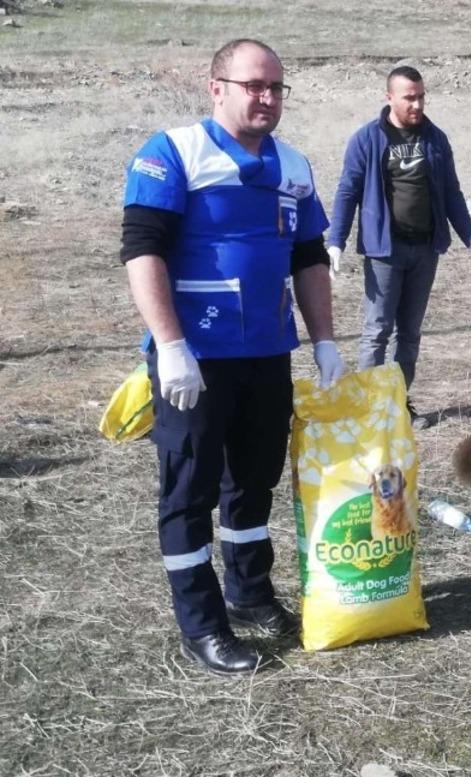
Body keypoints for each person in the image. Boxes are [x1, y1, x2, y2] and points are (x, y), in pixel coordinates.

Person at [120, 39, 347, 675]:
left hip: (266, 354)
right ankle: (202, 623)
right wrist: (169, 345)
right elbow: (143, 251)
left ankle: (249, 594)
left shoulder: (294, 165)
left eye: (277, 87)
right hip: (193, 362)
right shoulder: (170, 153)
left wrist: (324, 338)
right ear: (215, 86)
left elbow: (308, 256)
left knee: (252, 483)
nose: (267, 98)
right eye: (254, 85)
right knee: (188, 492)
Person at [326, 65, 471, 429]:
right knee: (377, 330)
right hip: (384, 251)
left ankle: (397, 405)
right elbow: (347, 191)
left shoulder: (435, 139)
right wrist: (335, 241)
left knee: (410, 334)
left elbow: (452, 193)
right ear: (389, 97)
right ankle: (366, 409)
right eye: (409, 97)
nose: (417, 104)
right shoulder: (367, 139)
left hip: (424, 251)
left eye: (421, 96)